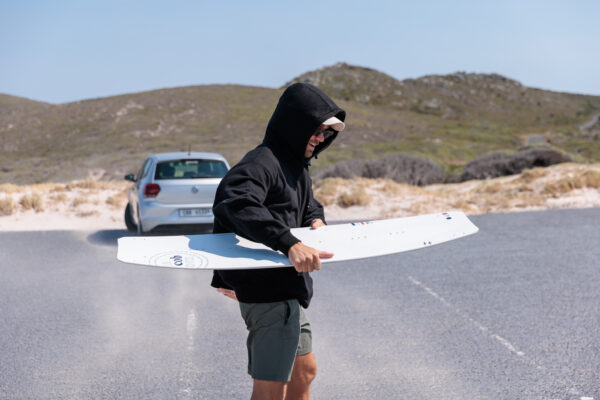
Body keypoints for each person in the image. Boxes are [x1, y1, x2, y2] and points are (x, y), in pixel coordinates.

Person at [210, 82, 346, 400]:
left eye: (326, 133)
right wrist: (289, 243)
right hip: (267, 292)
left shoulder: (295, 166)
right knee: (271, 391)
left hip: (287, 291)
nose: (321, 138)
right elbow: (235, 202)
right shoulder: (262, 162)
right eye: (317, 130)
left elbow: (306, 204)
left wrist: (315, 220)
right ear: (296, 124)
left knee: (304, 373)